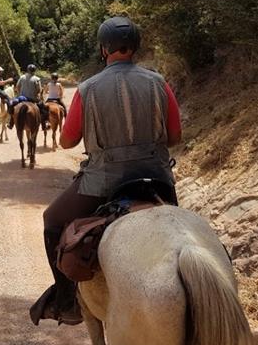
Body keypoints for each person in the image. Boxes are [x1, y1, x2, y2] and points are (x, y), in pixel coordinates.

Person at [31, 17, 182, 326]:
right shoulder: (159, 83)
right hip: (157, 178)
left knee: (52, 220)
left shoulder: (87, 89)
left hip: (103, 182)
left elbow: (67, 141)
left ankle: (67, 302)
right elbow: (175, 136)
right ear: (136, 47)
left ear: (104, 49)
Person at [8, 63, 48, 128]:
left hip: (22, 98)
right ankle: (44, 124)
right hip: (32, 99)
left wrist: (20, 93)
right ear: (34, 70)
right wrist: (35, 94)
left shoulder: (22, 77)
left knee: (12, 105)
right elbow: (39, 90)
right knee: (43, 108)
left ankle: (11, 122)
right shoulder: (37, 79)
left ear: (27, 70)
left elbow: (17, 87)